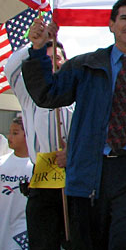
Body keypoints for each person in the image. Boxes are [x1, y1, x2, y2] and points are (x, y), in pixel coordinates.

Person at [22, 0, 126, 250]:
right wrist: (37, 50)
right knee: (88, 243)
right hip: (90, 167)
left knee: (125, 241)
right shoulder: (86, 65)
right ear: (111, 25)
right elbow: (48, 94)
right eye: (124, 18)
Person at [5, 40, 74, 250]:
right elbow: (11, 69)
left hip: (74, 179)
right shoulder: (29, 94)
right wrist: (35, 43)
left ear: (66, 62)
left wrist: (72, 152)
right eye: (46, 59)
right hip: (43, 181)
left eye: (57, 58)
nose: (52, 63)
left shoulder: (78, 93)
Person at [0, 116, 33, 250]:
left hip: (20, 234)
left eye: (15, 133)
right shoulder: (1, 163)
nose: (9, 137)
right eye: (10, 133)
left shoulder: (35, 166)